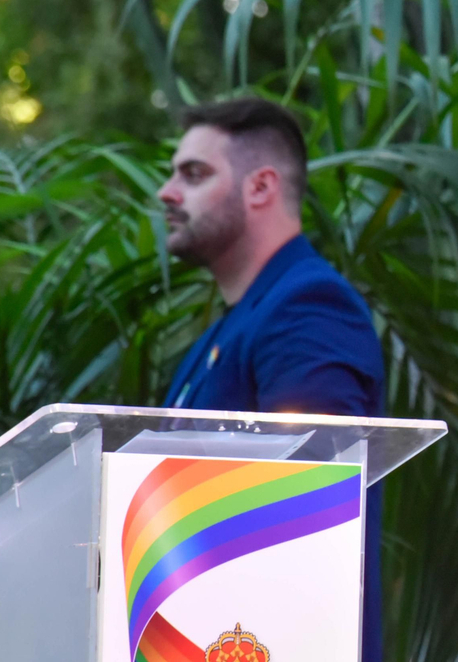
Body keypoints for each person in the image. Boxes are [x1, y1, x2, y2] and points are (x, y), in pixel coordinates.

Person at [156, 96, 385, 662]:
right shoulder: (229, 331)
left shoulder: (308, 306)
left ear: (260, 187)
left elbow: (312, 510)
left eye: (193, 174)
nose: (167, 192)